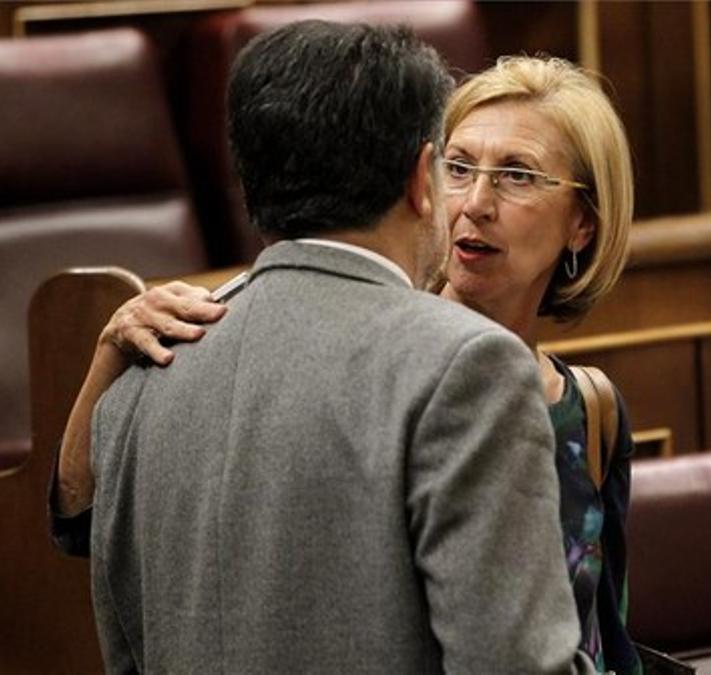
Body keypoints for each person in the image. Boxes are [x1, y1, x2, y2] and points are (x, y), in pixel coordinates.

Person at [52, 55, 639, 673]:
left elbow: (609, 637)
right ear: (423, 181)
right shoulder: (336, 360)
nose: (476, 202)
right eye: (458, 167)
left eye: (518, 175)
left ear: (582, 224)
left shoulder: (591, 407)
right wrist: (107, 364)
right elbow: (94, 532)